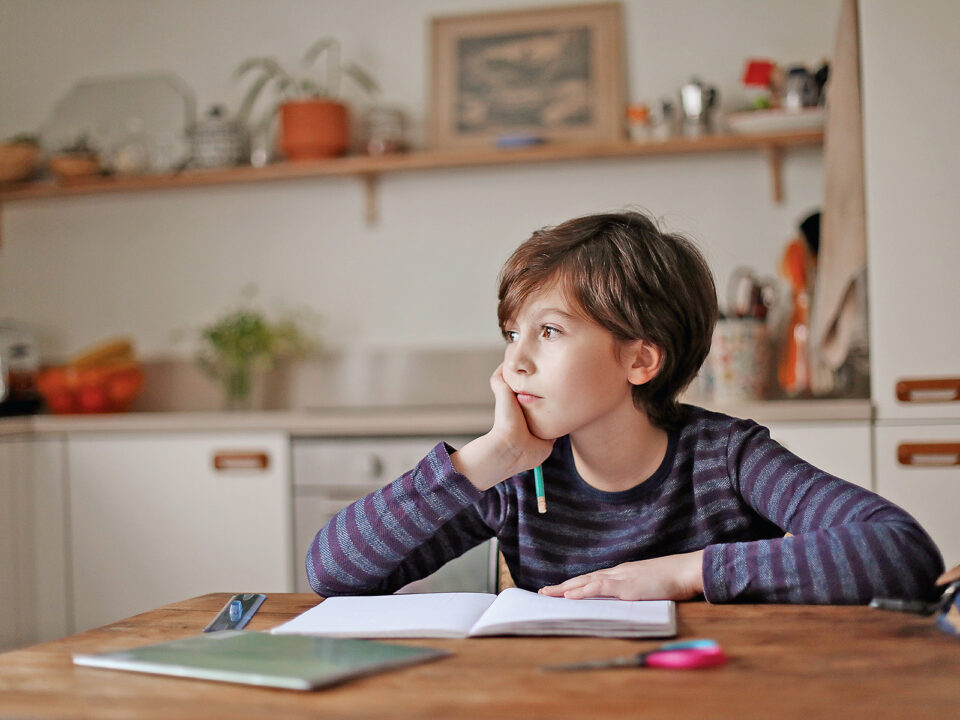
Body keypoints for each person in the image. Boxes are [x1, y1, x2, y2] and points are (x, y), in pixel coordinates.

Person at [306, 210, 943, 604]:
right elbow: (332, 572)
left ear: (640, 361)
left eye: (548, 332)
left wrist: (683, 574)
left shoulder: (727, 459)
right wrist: (484, 459)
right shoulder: (518, 475)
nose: (513, 363)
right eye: (511, 334)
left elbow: (899, 553)